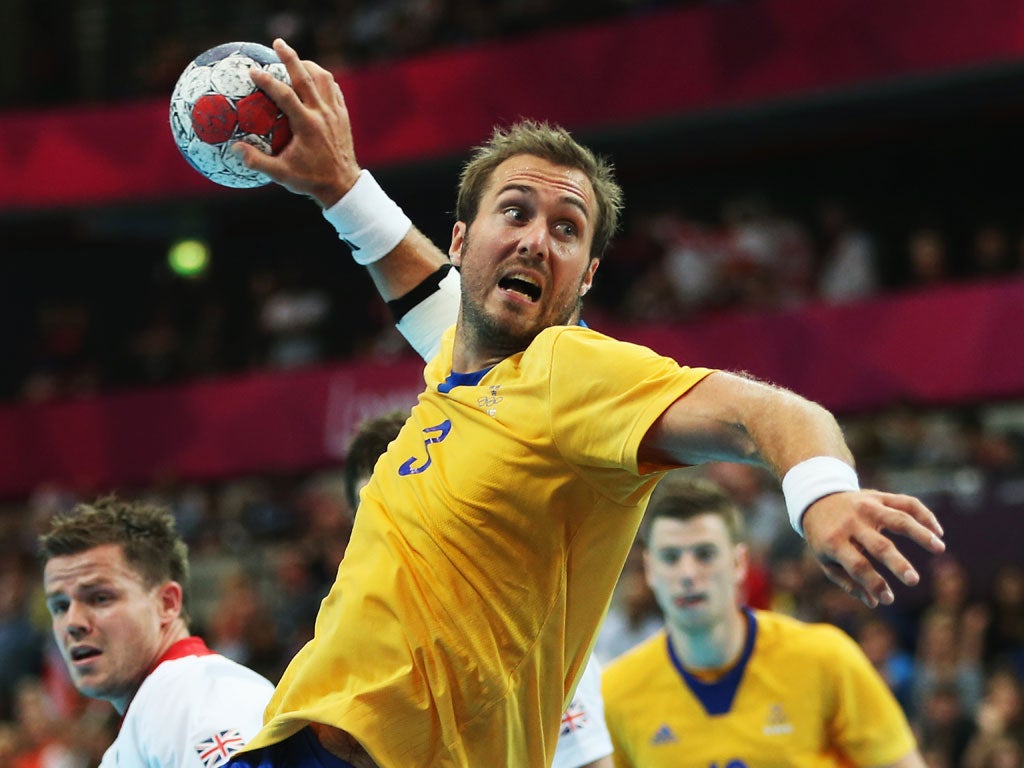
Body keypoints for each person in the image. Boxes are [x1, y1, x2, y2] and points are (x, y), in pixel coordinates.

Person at [226, 39, 945, 768]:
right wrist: (340, 187)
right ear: (462, 239)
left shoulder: (569, 369)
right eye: (516, 213)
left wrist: (822, 495)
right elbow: (420, 285)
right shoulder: (458, 364)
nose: (537, 240)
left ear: (589, 275)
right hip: (298, 742)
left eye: (566, 229)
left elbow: (766, 413)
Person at [345, 410, 614, 768]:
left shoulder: (525, 634)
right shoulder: (349, 655)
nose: (387, 529)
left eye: (399, 506)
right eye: (370, 513)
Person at [601, 473, 926, 767]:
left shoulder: (825, 658)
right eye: (671, 557)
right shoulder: (615, 692)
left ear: (739, 563)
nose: (687, 574)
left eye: (705, 554)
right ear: (649, 569)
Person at [38, 496, 275, 767]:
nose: (72, 622)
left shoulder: (196, 696)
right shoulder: (157, 711)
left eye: (100, 598)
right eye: (59, 606)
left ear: (167, 604)